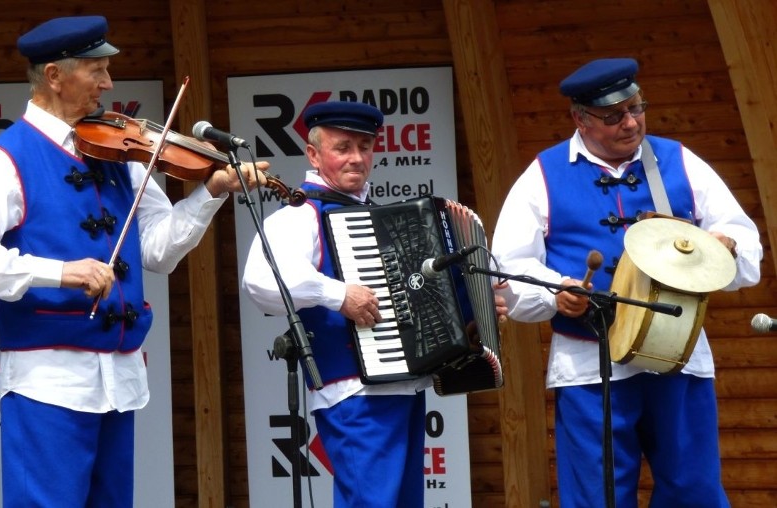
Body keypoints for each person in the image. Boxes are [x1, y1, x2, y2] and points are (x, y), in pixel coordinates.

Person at [0, 15, 266, 508]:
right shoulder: (6, 159)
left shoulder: (120, 153)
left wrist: (210, 195)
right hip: (49, 381)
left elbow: (157, 251)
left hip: (120, 380)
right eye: (97, 70)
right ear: (54, 76)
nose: (109, 84)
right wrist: (59, 271)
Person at [490, 57, 762, 508]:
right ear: (580, 118)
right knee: (596, 498)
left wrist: (723, 245)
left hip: (679, 356)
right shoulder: (542, 174)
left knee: (693, 491)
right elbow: (509, 268)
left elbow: (747, 243)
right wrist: (557, 293)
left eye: (636, 108)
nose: (631, 122)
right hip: (586, 362)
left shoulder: (681, 161)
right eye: (614, 115)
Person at [242, 100, 508, 507]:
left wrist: (473, 319)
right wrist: (338, 294)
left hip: (404, 388)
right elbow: (261, 280)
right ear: (313, 154)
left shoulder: (377, 217)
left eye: (364, 147)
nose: (356, 158)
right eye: (343, 147)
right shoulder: (301, 216)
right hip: (352, 395)